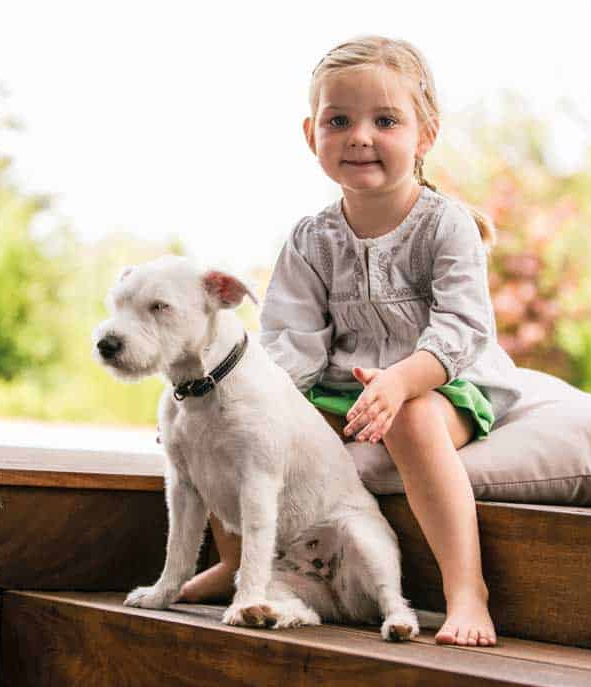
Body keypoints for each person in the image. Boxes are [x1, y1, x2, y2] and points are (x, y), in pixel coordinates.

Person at [178, 35, 524, 648]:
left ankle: (467, 589)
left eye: (385, 120)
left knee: (411, 422)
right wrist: (261, 401)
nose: (360, 135)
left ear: (425, 135)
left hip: (444, 381)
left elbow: (462, 328)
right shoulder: (312, 240)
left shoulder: (445, 226)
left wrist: (402, 381)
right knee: (236, 416)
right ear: (312, 135)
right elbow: (289, 340)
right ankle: (239, 562)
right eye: (339, 121)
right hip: (343, 388)